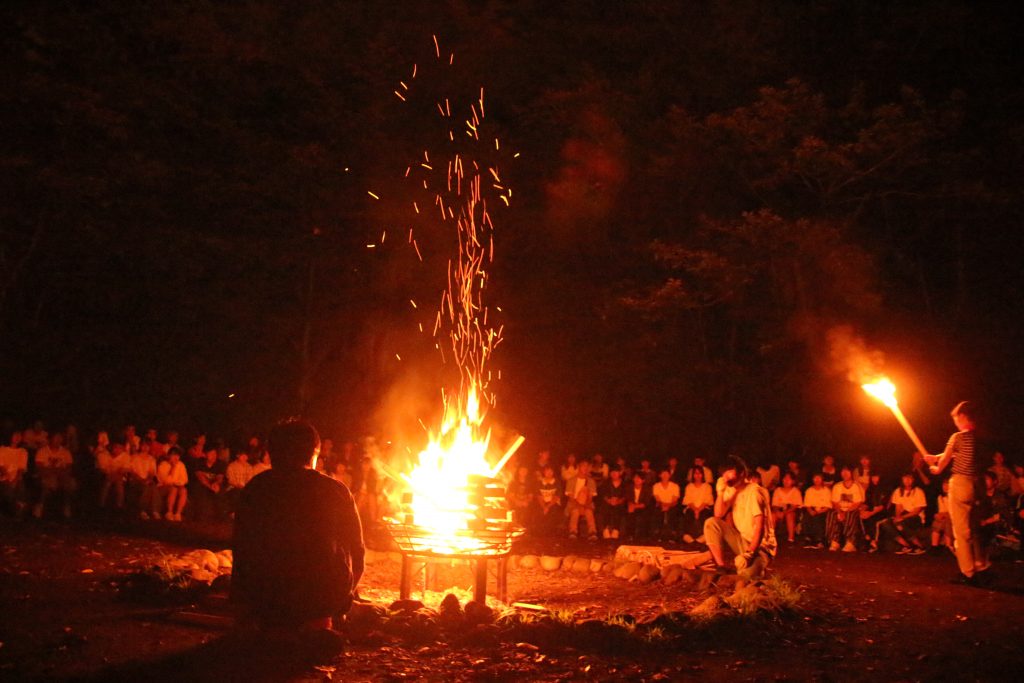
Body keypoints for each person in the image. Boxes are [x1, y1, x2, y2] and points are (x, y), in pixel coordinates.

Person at [232, 418, 364, 647]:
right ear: (315, 453)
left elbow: (241, 547)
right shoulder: (336, 490)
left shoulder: (255, 488)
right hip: (320, 600)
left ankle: (272, 627)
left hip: (265, 594)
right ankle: (316, 626)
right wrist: (344, 597)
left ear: (271, 453)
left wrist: (245, 598)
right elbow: (358, 550)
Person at [922, 401, 991, 585]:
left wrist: (936, 468)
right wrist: (935, 457)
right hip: (977, 486)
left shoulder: (957, 437)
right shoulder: (980, 438)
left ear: (962, 417)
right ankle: (982, 566)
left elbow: (945, 460)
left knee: (961, 531)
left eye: (955, 418)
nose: (955, 422)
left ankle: (968, 572)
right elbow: (957, 455)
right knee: (975, 528)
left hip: (960, 484)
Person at [704, 455, 776, 583]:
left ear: (742, 473)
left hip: (761, 547)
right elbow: (718, 515)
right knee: (711, 523)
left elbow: (760, 527)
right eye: (724, 474)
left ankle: (759, 567)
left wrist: (749, 554)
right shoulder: (732, 491)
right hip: (743, 541)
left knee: (745, 575)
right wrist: (720, 493)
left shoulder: (754, 492)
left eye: (730, 472)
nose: (726, 477)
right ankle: (721, 566)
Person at [877, 473, 927, 554]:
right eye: (905, 478)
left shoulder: (918, 491)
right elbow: (898, 508)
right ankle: (906, 545)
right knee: (885, 523)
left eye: (909, 478)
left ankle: (919, 546)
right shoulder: (898, 491)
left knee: (900, 522)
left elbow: (916, 511)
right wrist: (898, 517)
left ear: (913, 480)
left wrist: (902, 517)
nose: (907, 480)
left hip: (915, 517)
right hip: (903, 516)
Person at [34, 433, 76, 519]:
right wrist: (52, 473)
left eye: (60, 438)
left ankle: (66, 507)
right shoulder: (42, 451)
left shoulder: (66, 452)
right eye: (56, 438)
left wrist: (57, 473)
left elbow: (68, 468)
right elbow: (40, 468)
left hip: (61, 477)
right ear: (50, 439)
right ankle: (40, 507)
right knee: (47, 483)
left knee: (70, 483)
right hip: (46, 476)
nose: (58, 440)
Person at [827, 466, 864, 552]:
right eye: (843, 472)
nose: (845, 474)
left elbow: (857, 503)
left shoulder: (856, 486)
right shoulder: (837, 486)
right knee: (832, 514)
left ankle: (850, 542)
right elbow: (835, 502)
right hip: (840, 509)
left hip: (852, 509)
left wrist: (846, 511)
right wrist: (840, 512)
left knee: (850, 515)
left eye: (847, 472)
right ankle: (835, 540)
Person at [565, 460, 598, 540]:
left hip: (587, 504)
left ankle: (592, 532)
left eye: (587, 466)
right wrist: (579, 506)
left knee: (589, 512)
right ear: (579, 467)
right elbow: (571, 497)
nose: (585, 468)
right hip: (573, 504)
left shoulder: (591, 481)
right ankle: (573, 532)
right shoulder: (571, 480)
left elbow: (590, 498)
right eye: (583, 466)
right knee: (575, 511)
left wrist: (584, 505)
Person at [127, 443, 160, 519]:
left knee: (152, 486)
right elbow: (131, 472)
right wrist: (141, 480)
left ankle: (154, 511)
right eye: (143, 445)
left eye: (147, 446)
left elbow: (152, 472)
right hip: (135, 480)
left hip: (147, 480)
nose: (145, 448)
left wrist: (148, 479)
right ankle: (143, 510)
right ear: (140, 446)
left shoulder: (151, 459)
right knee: (147, 486)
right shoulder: (134, 457)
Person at [0, 431, 29, 517]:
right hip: (3, 476)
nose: (17, 437)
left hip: (17, 477)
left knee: (19, 488)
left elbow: (21, 468)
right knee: (8, 489)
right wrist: (8, 477)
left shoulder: (23, 451)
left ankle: (18, 511)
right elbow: (1, 466)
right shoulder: (2, 449)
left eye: (19, 435)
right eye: (15, 435)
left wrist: (15, 479)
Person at [681, 466, 714, 543]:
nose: (698, 475)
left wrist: (699, 510)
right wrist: (695, 510)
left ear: (702, 475)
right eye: (696, 473)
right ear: (693, 475)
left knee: (705, 516)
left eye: (699, 473)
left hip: (704, 508)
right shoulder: (689, 486)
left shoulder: (707, 486)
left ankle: (703, 537)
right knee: (689, 515)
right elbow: (688, 500)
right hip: (691, 508)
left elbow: (707, 500)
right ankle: (688, 538)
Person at [192, 448, 226, 521]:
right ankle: (201, 515)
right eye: (211, 454)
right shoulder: (199, 462)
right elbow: (200, 477)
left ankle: (220, 516)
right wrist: (209, 486)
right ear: (206, 454)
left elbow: (220, 477)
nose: (213, 456)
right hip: (203, 485)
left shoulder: (220, 463)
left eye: (215, 454)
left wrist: (216, 484)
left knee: (220, 490)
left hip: (213, 485)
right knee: (199, 489)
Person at [156, 447, 188, 521]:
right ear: (169, 456)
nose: (176, 457)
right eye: (174, 455)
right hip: (163, 487)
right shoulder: (163, 465)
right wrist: (173, 468)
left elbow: (185, 479)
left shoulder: (181, 465)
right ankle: (169, 512)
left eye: (178, 455)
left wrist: (178, 483)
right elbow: (165, 481)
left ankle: (178, 513)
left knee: (183, 490)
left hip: (177, 486)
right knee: (173, 489)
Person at [801, 473, 832, 548]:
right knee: (807, 517)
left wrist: (819, 511)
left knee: (818, 518)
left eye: (819, 478)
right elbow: (807, 504)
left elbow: (828, 505)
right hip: (812, 508)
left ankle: (819, 540)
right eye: (815, 478)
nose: (817, 480)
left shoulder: (826, 490)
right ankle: (808, 538)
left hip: (823, 510)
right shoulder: (809, 490)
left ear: (822, 479)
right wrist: (811, 511)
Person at [771, 472, 803, 543]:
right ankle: (771, 538)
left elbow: (795, 506)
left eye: (789, 479)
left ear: (793, 481)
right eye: (785, 478)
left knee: (789, 515)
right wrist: (777, 512)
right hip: (780, 510)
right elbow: (774, 505)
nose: (786, 481)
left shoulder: (796, 491)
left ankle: (791, 539)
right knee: (773, 515)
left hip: (792, 512)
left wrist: (784, 512)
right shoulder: (777, 490)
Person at [652, 468, 682, 542]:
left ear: (670, 475)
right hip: (660, 505)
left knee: (673, 512)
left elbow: (675, 501)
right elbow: (657, 499)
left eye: (667, 473)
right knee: (657, 512)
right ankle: (658, 535)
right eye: (663, 473)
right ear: (660, 475)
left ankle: (672, 536)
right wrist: (663, 506)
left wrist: (668, 506)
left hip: (672, 506)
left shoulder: (675, 486)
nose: (665, 475)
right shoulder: (656, 486)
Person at [861, 473, 890, 550]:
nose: (874, 479)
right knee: (861, 517)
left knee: (874, 520)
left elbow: (883, 506)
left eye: (876, 476)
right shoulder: (869, 489)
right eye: (873, 476)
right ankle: (867, 539)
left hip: (882, 512)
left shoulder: (885, 489)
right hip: (871, 511)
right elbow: (867, 503)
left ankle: (874, 542)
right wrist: (862, 510)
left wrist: (870, 513)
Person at [598, 467, 627, 539]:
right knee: (605, 507)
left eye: (616, 471)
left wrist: (619, 501)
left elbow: (626, 495)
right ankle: (606, 529)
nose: (614, 473)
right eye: (612, 472)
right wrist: (609, 500)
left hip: (620, 503)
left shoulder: (624, 484)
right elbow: (602, 494)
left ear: (620, 473)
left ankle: (616, 530)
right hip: (608, 502)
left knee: (619, 508)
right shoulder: (605, 483)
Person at [624, 471, 653, 541]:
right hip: (631, 506)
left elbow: (646, 502)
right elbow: (628, 499)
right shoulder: (629, 487)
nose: (637, 479)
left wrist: (635, 506)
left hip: (643, 507)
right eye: (635, 478)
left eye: (639, 478)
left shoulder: (647, 489)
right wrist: (631, 505)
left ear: (643, 480)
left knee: (645, 514)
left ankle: (642, 535)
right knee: (630, 512)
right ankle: (630, 535)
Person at [535, 464, 562, 534]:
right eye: (547, 471)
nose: (549, 473)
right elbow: (539, 497)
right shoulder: (539, 483)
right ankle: (539, 531)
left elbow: (556, 497)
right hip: (543, 503)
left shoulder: (557, 482)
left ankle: (551, 531)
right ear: (544, 472)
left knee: (553, 511)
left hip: (553, 503)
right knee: (538, 511)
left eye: (551, 471)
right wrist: (544, 507)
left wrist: (547, 507)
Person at [931, 479, 954, 553]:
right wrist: (938, 515)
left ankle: (943, 546)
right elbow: (941, 511)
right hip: (945, 517)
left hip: (955, 518)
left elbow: (954, 512)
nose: (945, 487)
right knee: (940, 520)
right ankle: (938, 546)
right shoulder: (940, 497)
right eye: (944, 485)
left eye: (947, 484)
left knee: (947, 521)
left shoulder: (955, 497)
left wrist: (944, 514)